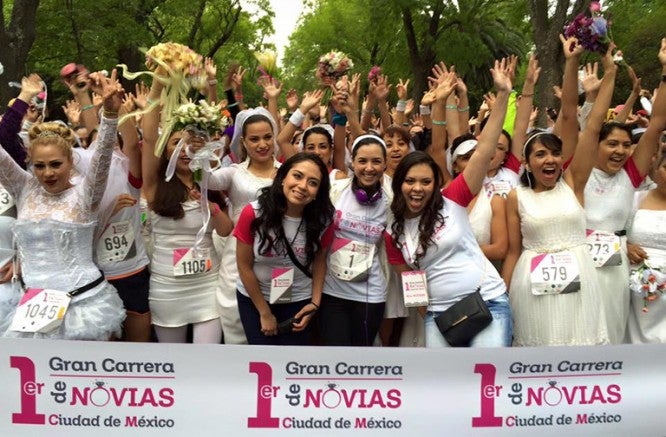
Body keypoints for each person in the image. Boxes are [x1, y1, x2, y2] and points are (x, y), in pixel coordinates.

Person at [384, 58, 513, 348]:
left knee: (484, 387)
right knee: (444, 392)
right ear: (399, 183)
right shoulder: (392, 229)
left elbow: (484, 151)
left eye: (426, 182)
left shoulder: (452, 198)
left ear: (435, 184)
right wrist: (426, 309)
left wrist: (503, 96)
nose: (418, 188)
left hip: (486, 303)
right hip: (439, 317)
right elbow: (408, 278)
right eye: (410, 181)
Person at [502, 37, 618, 346]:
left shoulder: (573, 183)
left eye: (554, 153)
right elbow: (513, 251)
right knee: (541, 351)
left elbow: (584, 122)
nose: (550, 159)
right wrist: (503, 297)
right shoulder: (517, 197)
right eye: (540, 155)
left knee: (581, 348)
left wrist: (595, 69)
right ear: (526, 164)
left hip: (581, 283)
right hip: (532, 288)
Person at [1, 72, 125, 340]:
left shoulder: (85, 194)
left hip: (83, 307)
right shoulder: (23, 187)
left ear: (70, 162)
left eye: (56, 164)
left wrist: (111, 115)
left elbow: (103, 157)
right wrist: (24, 96)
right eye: (39, 166)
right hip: (31, 308)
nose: (48, 173)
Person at [578, 39, 666, 343]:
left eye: (627, 145)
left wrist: (665, 71)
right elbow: (583, 127)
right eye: (612, 144)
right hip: (578, 265)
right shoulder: (579, 174)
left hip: (615, 271)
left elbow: (656, 124)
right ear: (596, 146)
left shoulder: (630, 175)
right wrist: (609, 76)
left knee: (611, 336)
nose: (621, 151)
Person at [142, 79, 233, 344]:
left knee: (208, 360)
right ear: (165, 151)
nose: (184, 151)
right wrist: (157, 86)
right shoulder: (154, 186)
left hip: (207, 286)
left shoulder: (208, 182)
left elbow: (226, 230)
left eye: (191, 145)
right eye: (176, 144)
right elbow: (148, 138)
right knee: (174, 363)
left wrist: (210, 207)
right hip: (167, 289)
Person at [234, 153, 335, 344]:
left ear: (318, 193)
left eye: (313, 183)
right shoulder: (254, 213)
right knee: (263, 361)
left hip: (299, 301)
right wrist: (264, 313)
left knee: (293, 365)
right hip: (256, 300)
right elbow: (243, 266)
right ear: (283, 178)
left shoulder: (324, 220)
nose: (303, 186)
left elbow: (320, 261)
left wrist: (314, 303)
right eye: (297, 176)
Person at [208, 107, 282, 344]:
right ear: (243, 142)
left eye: (267, 137)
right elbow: (205, 179)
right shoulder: (233, 173)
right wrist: (198, 149)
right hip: (238, 256)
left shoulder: (287, 173)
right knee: (235, 319)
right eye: (255, 139)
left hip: (278, 255)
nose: (262, 144)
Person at [318, 134, 392, 346]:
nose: (369, 168)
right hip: (333, 291)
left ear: (385, 165)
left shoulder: (391, 201)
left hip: (371, 294)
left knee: (362, 358)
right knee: (336, 354)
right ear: (353, 163)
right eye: (362, 161)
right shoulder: (335, 192)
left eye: (376, 161)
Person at [626, 151, 666, 343]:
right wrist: (626, 246)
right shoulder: (635, 199)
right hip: (633, 283)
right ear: (656, 169)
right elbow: (617, 232)